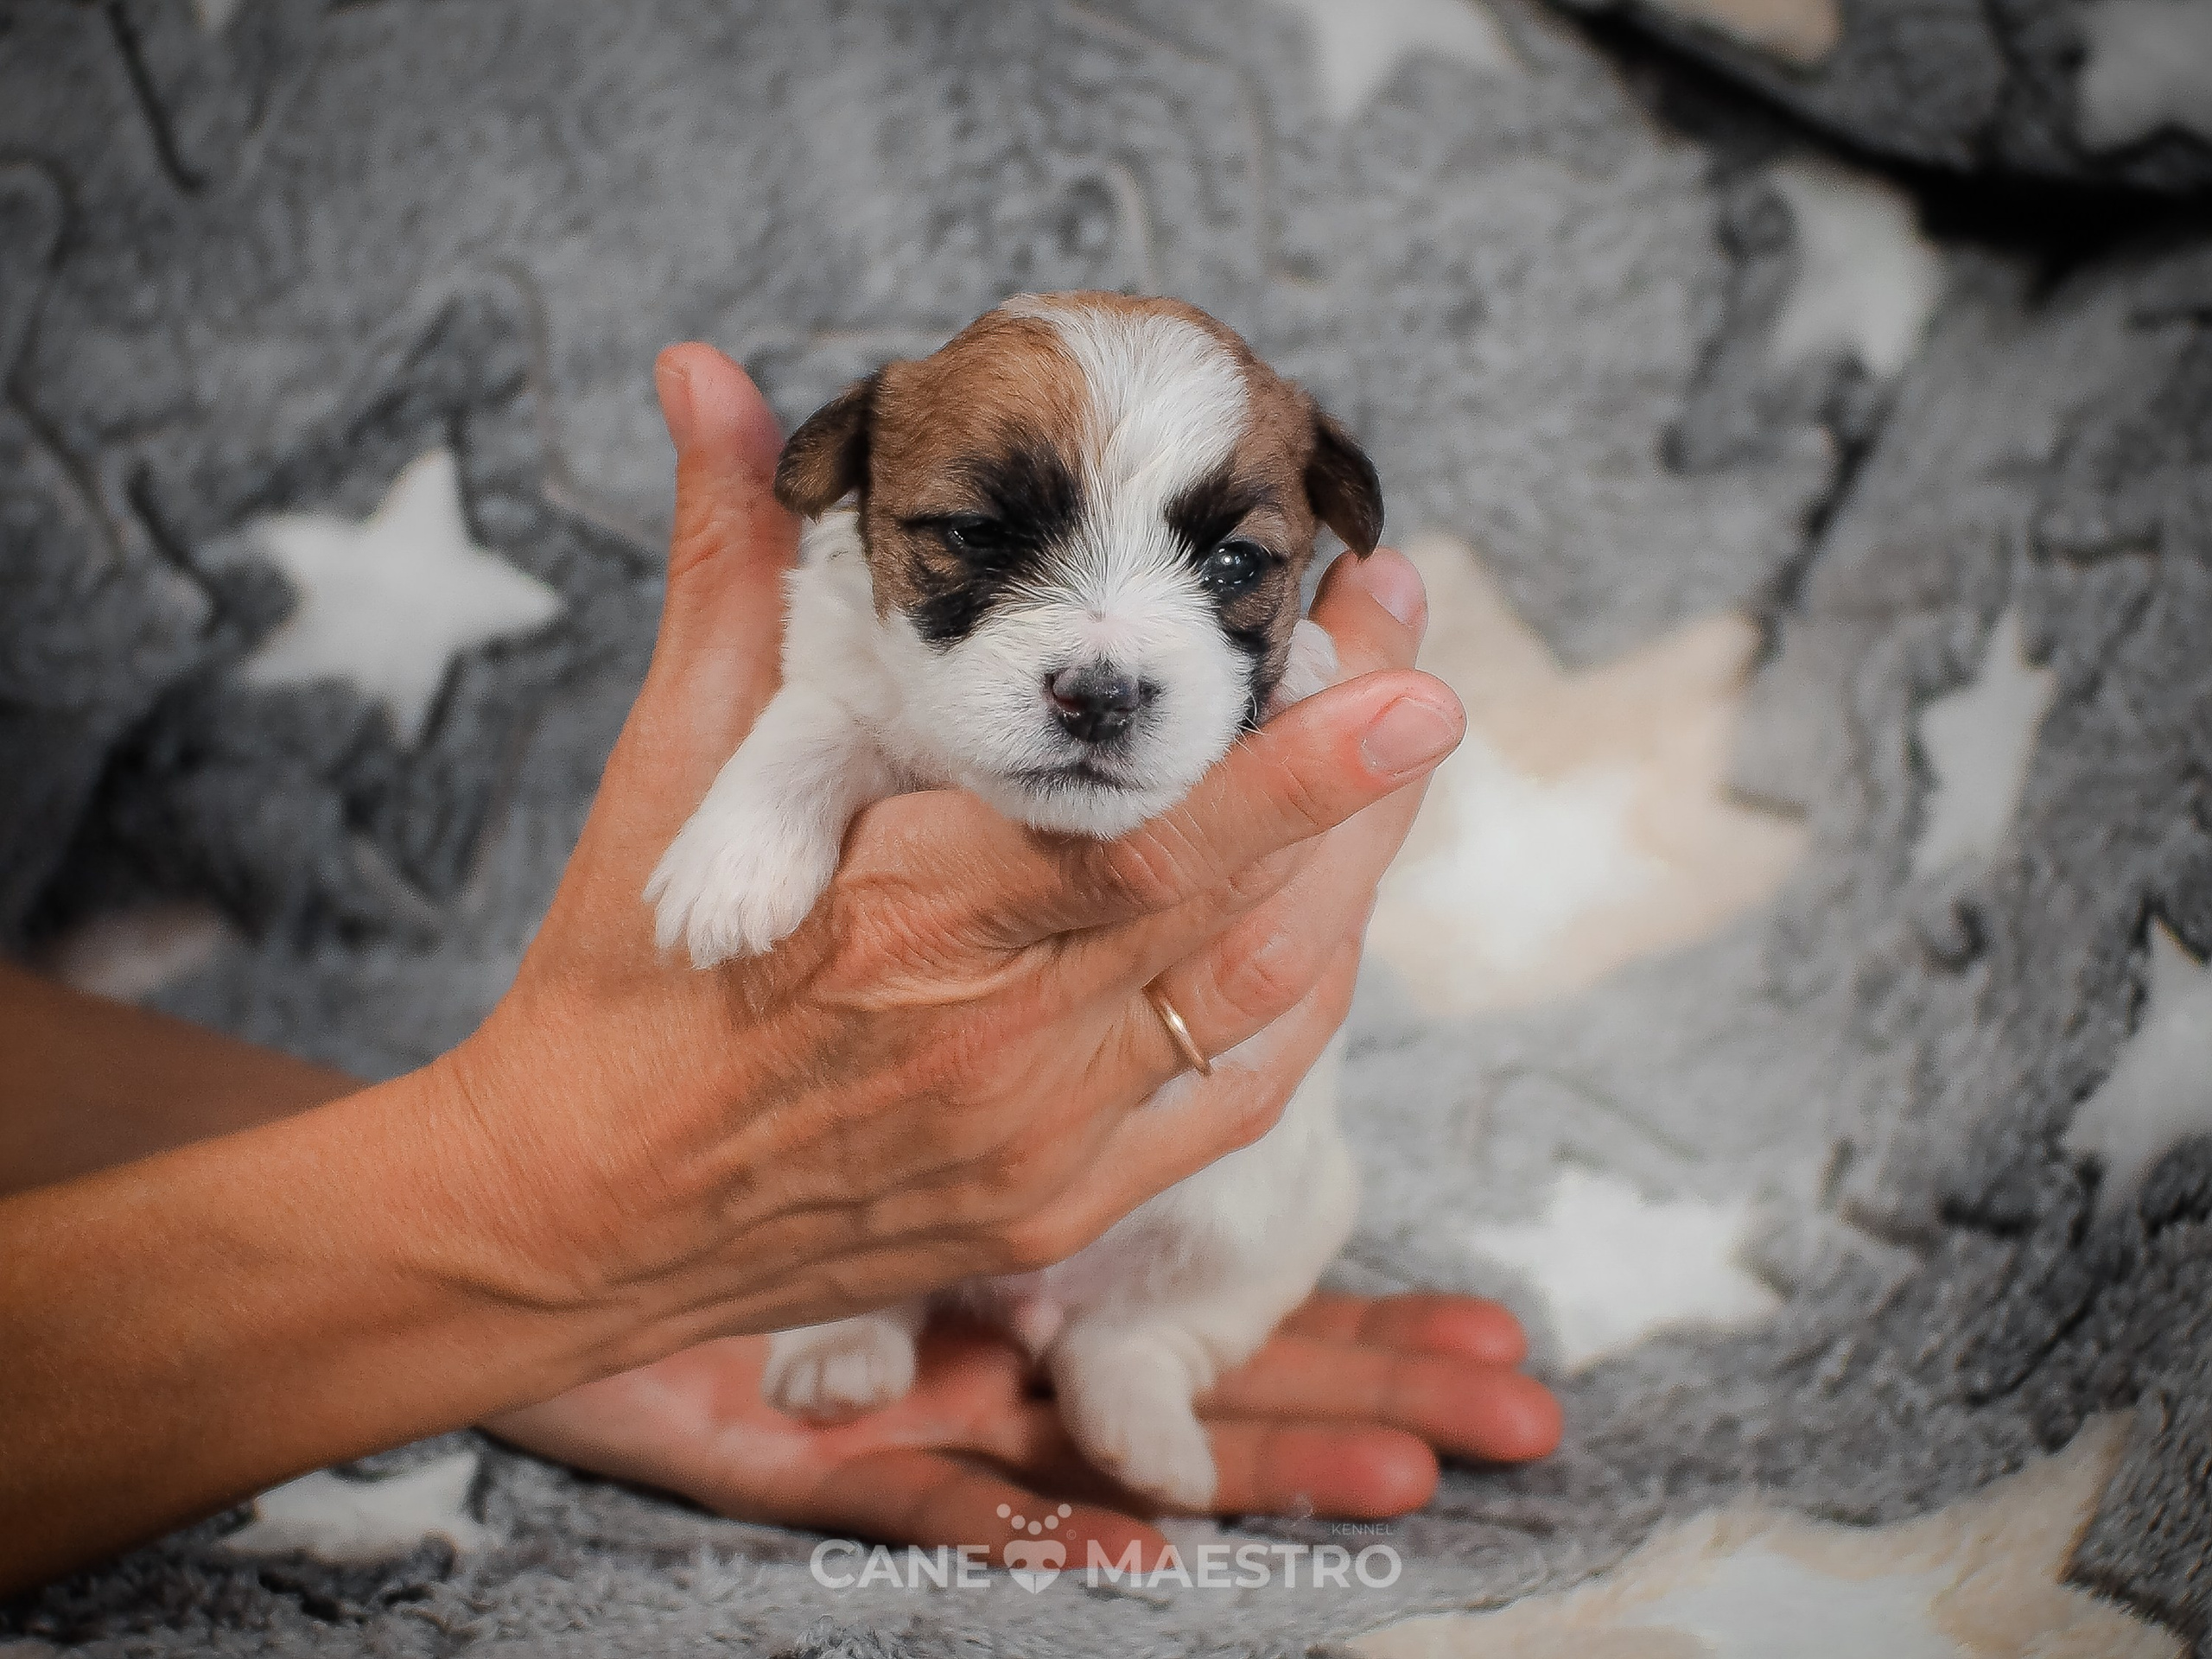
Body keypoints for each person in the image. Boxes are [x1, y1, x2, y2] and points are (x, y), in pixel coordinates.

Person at [0, 346, 1560, 1598]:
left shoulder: (1264, 657)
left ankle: (1156, 1337)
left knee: (1286, 1197)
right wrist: (552, 1225)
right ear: (847, 499)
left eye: (1229, 566)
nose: (1106, 662)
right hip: (841, 1237)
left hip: (1180, 1179)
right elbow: (824, 719)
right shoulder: (847, 641)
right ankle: (865, 1305)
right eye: (970, 538)